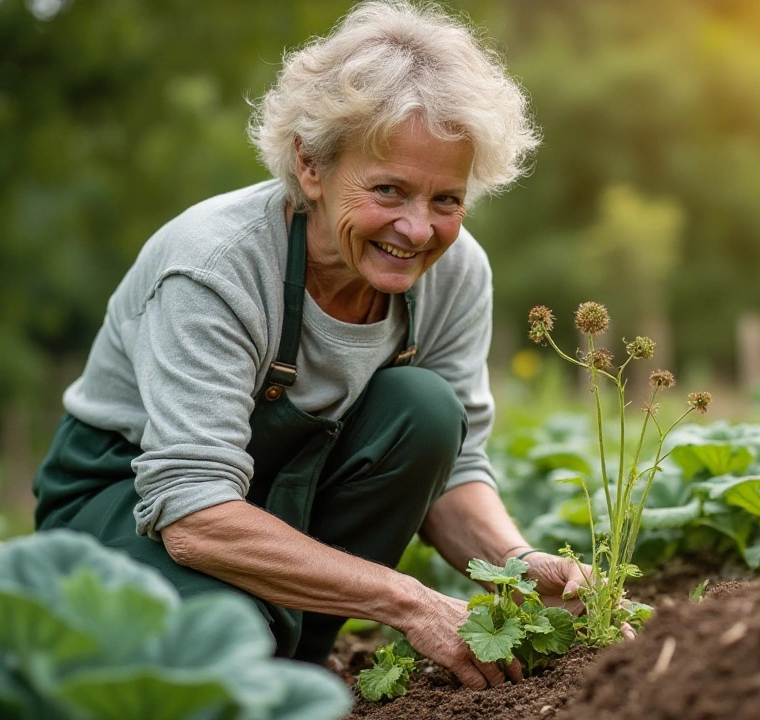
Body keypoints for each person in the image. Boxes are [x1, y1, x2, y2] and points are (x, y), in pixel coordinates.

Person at [32, 0, 588, 691]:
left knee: (424, 408)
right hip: (126, 497)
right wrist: (412, 602)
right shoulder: (216, 266)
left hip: (272, 495)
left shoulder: (456, 270)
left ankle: (296, 656)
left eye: (446, 199)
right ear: (312, 165)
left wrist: (515, 562)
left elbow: (454, 466)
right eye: (388, 189)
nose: (417, 230)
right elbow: (193, 511)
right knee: (219, 650)